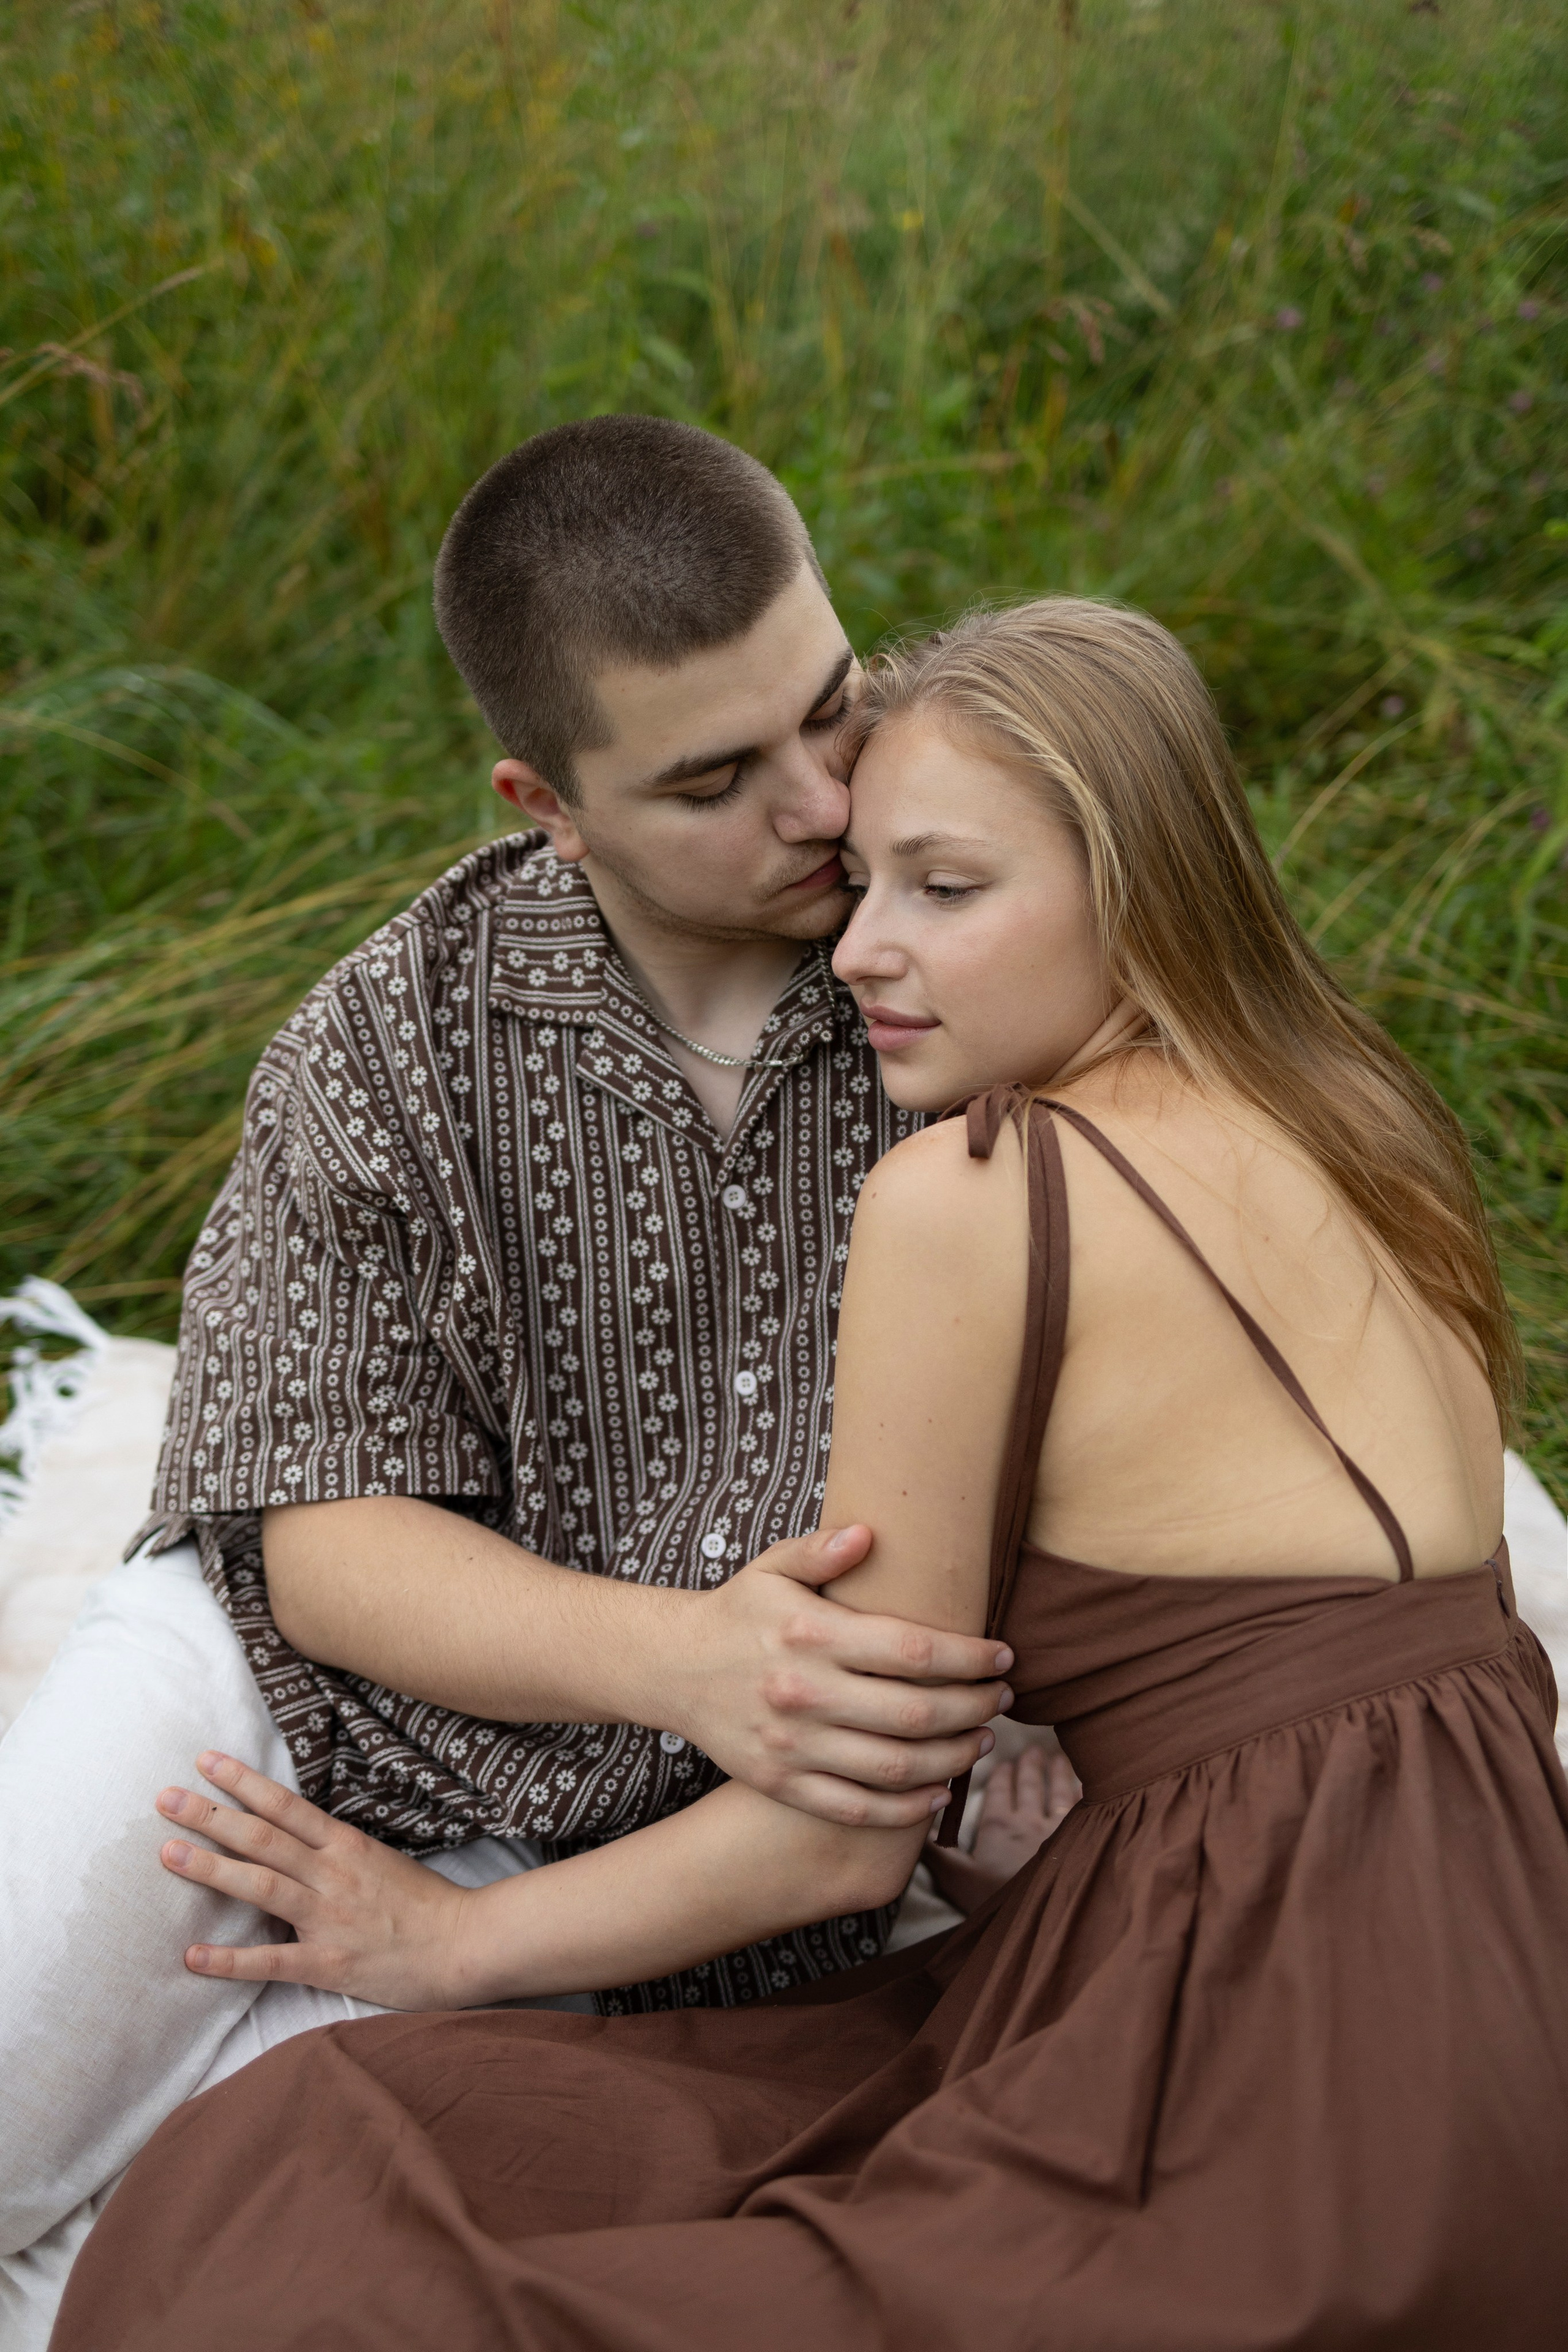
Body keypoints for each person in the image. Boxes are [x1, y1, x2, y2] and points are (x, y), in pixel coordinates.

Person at [55, 597, 1568, 2350]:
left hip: (1264, 2069)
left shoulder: (980, 1195)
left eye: (946, 888)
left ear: (1138, 882)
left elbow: (839, 1835)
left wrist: (438, 1945)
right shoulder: (1364, 1119)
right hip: (1513, 2023)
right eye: (864, 887)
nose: (857, 952)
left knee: (341, 2176)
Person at [0, 420, 1022, 2335]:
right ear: (546, 801)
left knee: (251, 2270)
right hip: (299, 1715)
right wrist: (693, 1654)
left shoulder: (974, 976)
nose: (818, 805)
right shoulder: (389, 1038)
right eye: (717, 778)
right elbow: (324, 1548)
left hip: (689, 1884)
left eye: (834, 708)